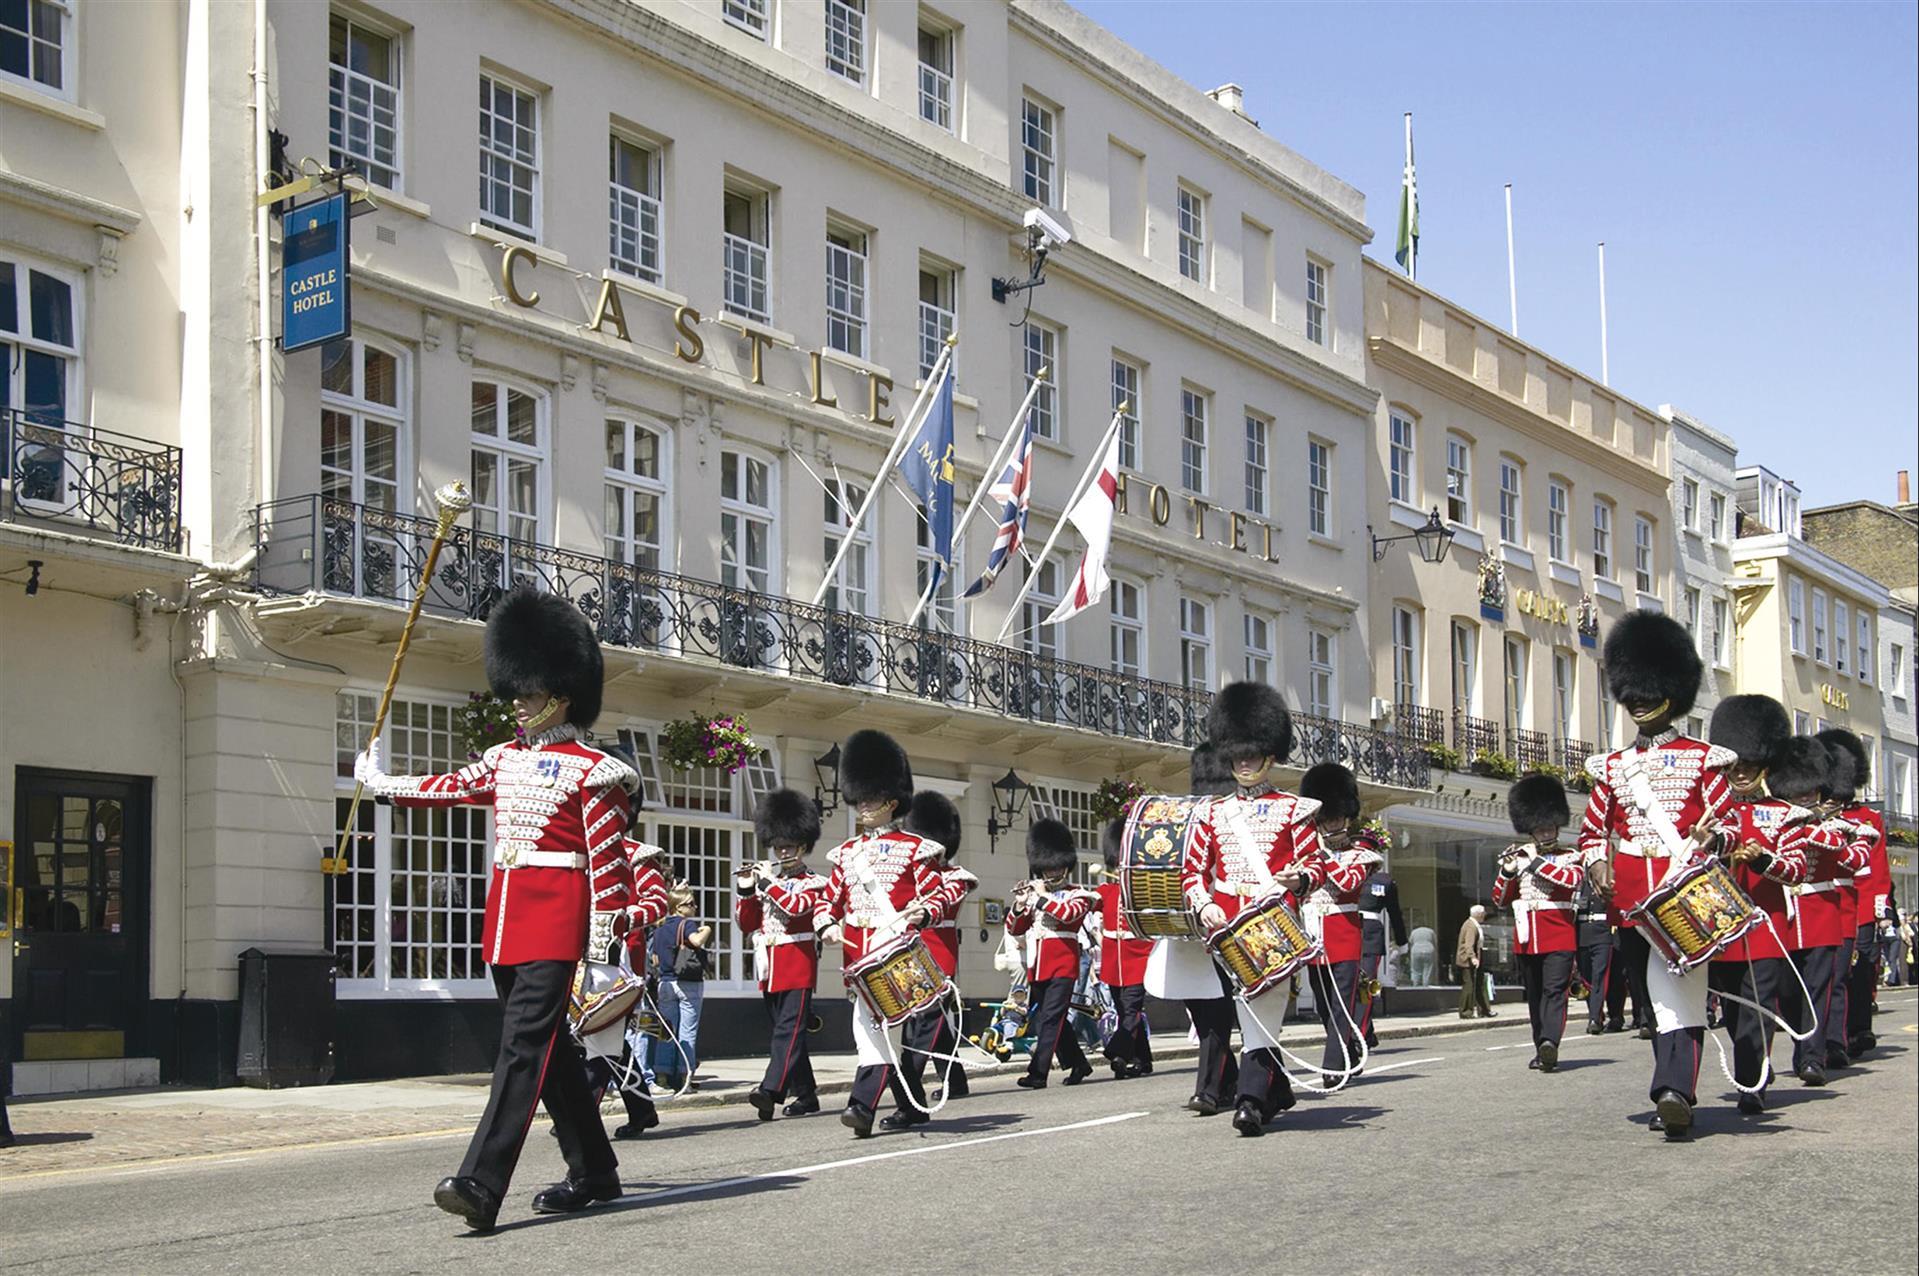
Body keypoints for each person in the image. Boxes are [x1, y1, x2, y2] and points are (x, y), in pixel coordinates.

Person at [355, 587, 640, 1231]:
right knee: (551, 1054)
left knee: (518, 1050)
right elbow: (448, 789)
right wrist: (382, 783)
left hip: (558, 919)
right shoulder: (505, 759)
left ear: (560, 696)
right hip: (507, 921)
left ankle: (483, 1182)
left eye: (530, 694)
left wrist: (602, 945)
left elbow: (607, 861)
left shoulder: (593, 772)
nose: (518, 703)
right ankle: (595, 1169)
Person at [1576, 610, 1736, 1141]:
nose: (1640, 701)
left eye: (1648, 690)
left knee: (1680, 996)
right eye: (1632, 692)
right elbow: (1594, 828)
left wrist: (1715, 836)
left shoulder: (1703, 760)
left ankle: (1674, 1092)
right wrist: (1597, 861)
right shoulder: (1611, 767)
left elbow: (1729, 823)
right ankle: (1672, 1085)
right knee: (1649, 1001)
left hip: (1682, 893)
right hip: (1628, 897)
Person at [1181, 682, 1330, 1138]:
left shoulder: (1294, 810)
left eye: (1252, 754)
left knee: (1260, 1017)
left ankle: (1248, 1102)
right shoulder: (1211, 813)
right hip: (1224, 930)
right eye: (1238, 755)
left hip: (1272, 927)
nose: (1244, 763)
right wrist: (1203, 903)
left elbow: (1316, 865)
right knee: (1244, 1017)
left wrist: (1300, 879)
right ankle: (1276, 1090)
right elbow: (1193, 872)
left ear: (1269, 754)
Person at [814, 730, 950, 1138]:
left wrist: (923, 911)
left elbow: (939, 892)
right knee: (872, 1031)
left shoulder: (916, 848)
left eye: (871, 799)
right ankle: (908, 1105)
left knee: (877, 1032)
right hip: (857, 955)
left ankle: (861, 1106)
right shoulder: (846, 853)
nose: (863, 806)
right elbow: (829, 900)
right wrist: (827, 925)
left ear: (891, 802)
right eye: (860, 798)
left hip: (897, 955)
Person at [1707, 697, 1815, 1113]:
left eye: (1748, 767)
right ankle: (1755, 1063)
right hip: (1722, 927)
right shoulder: (1713, 815)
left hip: (1766, 926)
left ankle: (1750, 1083)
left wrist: (1763, 859)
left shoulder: (1786, 816)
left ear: (1764, 767)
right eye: (1735, 767)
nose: (1740, 774)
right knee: (1733, 1011)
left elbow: (1798, 869)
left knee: (1759, 1008)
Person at [1147, 742, 1241, 1118]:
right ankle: (1232, 1081)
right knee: (1203, 1017)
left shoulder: (1238, 821)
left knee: (1216, 1015)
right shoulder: (1184, 819)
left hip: (1226, 929)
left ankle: (1209, 1091)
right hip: (1184, 933)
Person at [737, 788, 830, 1122]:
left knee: (787, 1031)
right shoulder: (768, 880)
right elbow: (746, 923)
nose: (782, 852)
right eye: (778, 847)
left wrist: (766, 884)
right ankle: (806, 1095)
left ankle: (771, 1090)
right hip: (769, 966)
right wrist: (747, 889)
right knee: (789, 1033)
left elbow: (795, 909)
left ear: (802, 847)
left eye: (788, 847)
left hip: (798, 963)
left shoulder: (815, 882)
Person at [1785, 740, 1870, 1083]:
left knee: (1820, 990)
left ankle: (1812, 1058)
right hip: (1784, 916)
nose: (1806, 795)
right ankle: (1800, 1045)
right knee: (1788, 994)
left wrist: (1825, 836)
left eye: (1812, 789)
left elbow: (1857, 862)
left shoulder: (1843, 828)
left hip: (1821, 912)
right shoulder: (1775, 818)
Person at [582, 822, 672, 1140]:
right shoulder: (583, 850)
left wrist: (621, 918)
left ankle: (581, 1115)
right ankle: (642, 1109)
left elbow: (656, 903)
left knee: (601, 1035)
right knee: (611, 1040)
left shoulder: (637, 855)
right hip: (580, 957)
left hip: (618, 958)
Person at [1493, 775, 1585, 1072]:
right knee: (1534, 996)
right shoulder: (1518, 856)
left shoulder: (1570, 856)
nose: (1545, 832)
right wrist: (1508, 872)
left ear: (1557, 826)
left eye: (1549, 826)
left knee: (1554, 991)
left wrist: (1534, 863)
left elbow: (1571, 882)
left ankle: (1550, 1042)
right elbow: (1499, 899)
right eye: (1539, 827)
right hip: (1527, 936)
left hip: (1558, 933)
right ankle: (1540, 1047)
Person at [895, 790, 977, 1119]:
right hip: (909, 954)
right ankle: (954, 1079)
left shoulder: (956, 876)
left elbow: (944, 901)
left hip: (939, 954)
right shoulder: (908, 877)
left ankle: (907, 1080)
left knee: (924, 1023)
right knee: (937, 1025)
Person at [1298, 763, 1381, 1079]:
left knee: (1341, 1005)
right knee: (1322, 1004)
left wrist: (1321, 858)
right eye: (1326, 819)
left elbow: (1348, 882)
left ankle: (1333, 1068)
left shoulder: (1362, 853)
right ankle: (1349, 1048)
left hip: (1344, 935)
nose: (1331, 824)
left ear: (1346, 818)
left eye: (1335, 818)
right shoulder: (1309, 853)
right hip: (1313, 937)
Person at [1006, 819, 1098, 1090]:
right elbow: (1015, 929)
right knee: (1048, 1018)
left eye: (1057, 866)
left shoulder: (1079, 894)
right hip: (1038, 964)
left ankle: (1038, 1073)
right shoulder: (1035, 894)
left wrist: (1041, 897)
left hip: (1063, 964)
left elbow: (1068, 916)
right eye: (1047, 867)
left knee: (1050, 1019)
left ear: (1066, 866)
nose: (1052, 871)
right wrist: (1022, 905)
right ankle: (1079, 1063)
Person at [1819, 729, 1891, 1060]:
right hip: (1825, 903)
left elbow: (1876, 871)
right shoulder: (1816, 817)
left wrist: (1878, 910)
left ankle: (1858, 1028)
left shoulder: (1867, 818)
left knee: (1859, 970)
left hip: (1859, 906)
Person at [1097, 817, 1155, 1078]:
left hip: (1139, 956)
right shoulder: (1106, 891)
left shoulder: (1144, 890)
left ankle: (1118, 1052)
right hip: (1113, 960)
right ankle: (1143, 1060)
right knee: (1124, 1011)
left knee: (1131, 1010)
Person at [648, 887, 712, 1092]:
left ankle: (662, 1077)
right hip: (688, 983)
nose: (695, 907)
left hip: (665, 984)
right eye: (691, 904)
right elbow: (696, 941)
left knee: (667, 1032)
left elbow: (655, 959)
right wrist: (707, 929)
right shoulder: (687, 924)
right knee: (687, 1032)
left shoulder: (659, 929)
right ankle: (685, 1078)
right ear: (679, 906)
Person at [1355, 827, 1408, 1048]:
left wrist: (1402, 941)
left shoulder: (1383, 881)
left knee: (1365, 986)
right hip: (1351, 930)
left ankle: (1363, 1031)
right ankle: (1363, 1032)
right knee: (1356, 986)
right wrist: (1402, 942)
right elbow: (1395, 914)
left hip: (1367, 934)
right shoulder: (1345, 875)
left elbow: (1395, 913)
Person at [1573, 872, 1614, 1035]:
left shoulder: (1605, 882)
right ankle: (1597, 1013)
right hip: (1582, 934)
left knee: (1599, 976)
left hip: (1602, 934)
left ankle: (1594, 1018)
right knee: (1586, 978)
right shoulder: (1578, 885)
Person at [1455, 905, 1493, 1019]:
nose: (1485, 915)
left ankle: (1484, 1010)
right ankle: (1465, 1012)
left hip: (1476, 959)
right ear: (1479, 914)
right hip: (1468, 961)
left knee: (1480, 985)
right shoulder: (1471, 926)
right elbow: (1468, 944)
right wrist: (1473, 957)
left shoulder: (1474, 924)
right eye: (1483, 913)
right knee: (1469, 985)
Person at [1408, 923, 1438, 988]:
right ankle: (1425, 986)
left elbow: (1410, 942)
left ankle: (1415, 986)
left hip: (1416, 950)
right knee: (1427, 970)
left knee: (1416, 970)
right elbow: (1435, 942)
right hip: (1428, 950)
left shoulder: (1414, 932)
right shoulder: (1431, 931)